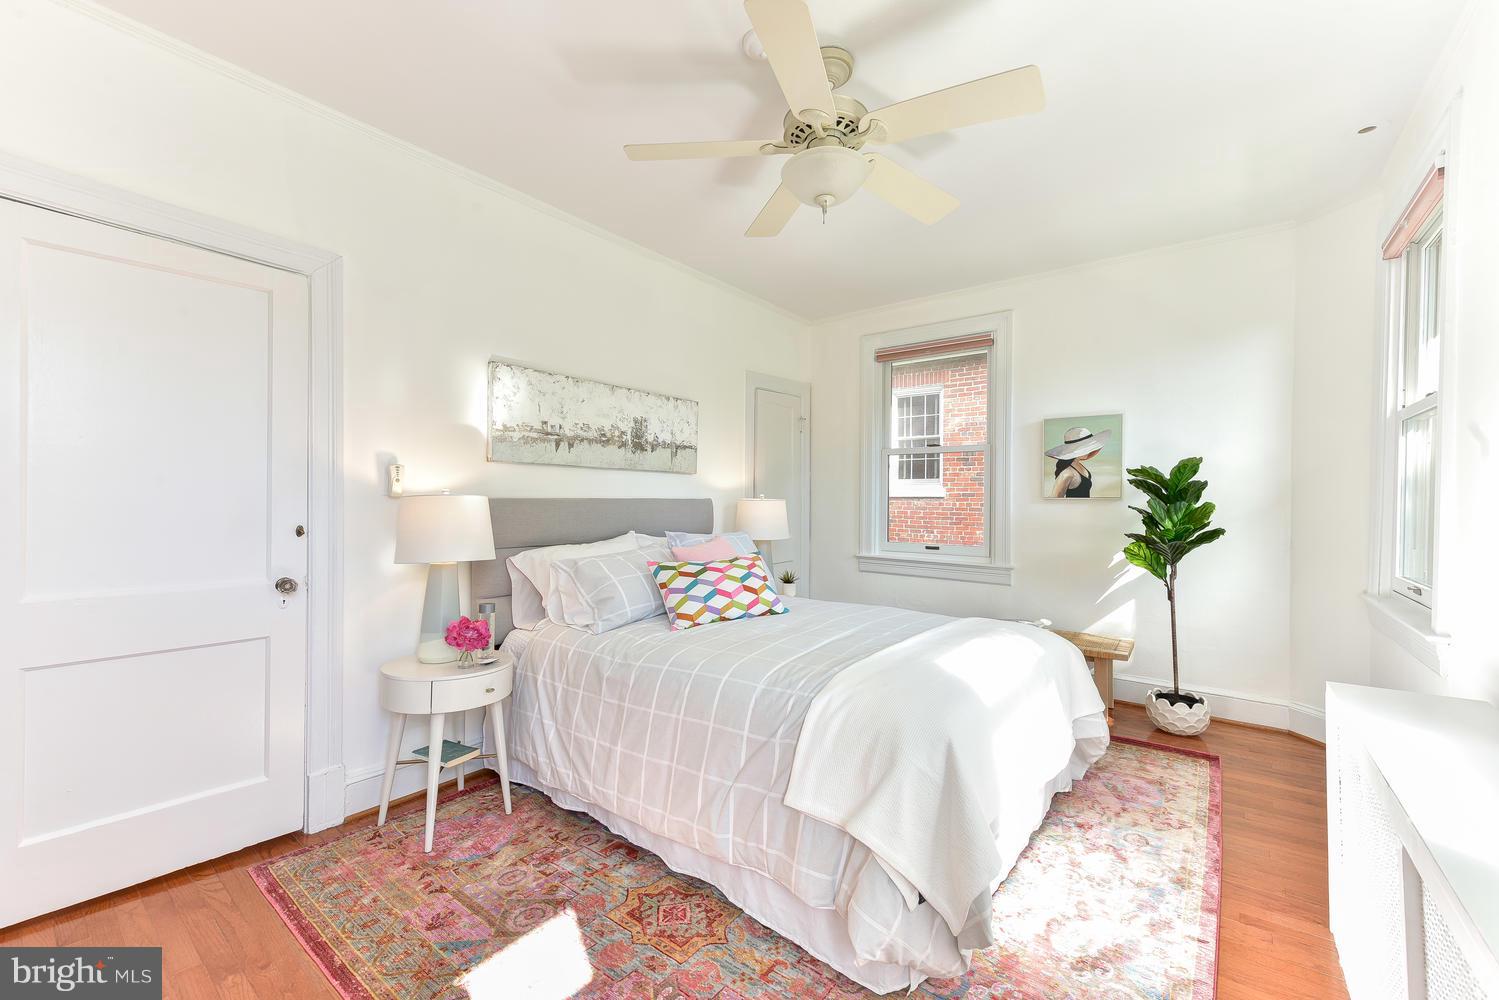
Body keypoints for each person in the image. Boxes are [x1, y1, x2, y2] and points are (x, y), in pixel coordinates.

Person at [1046, 425, 1111, 498]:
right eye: (1084, 448)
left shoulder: (1077, 465)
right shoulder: (1067, 474)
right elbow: (1054, 498)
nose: (1089, 451)